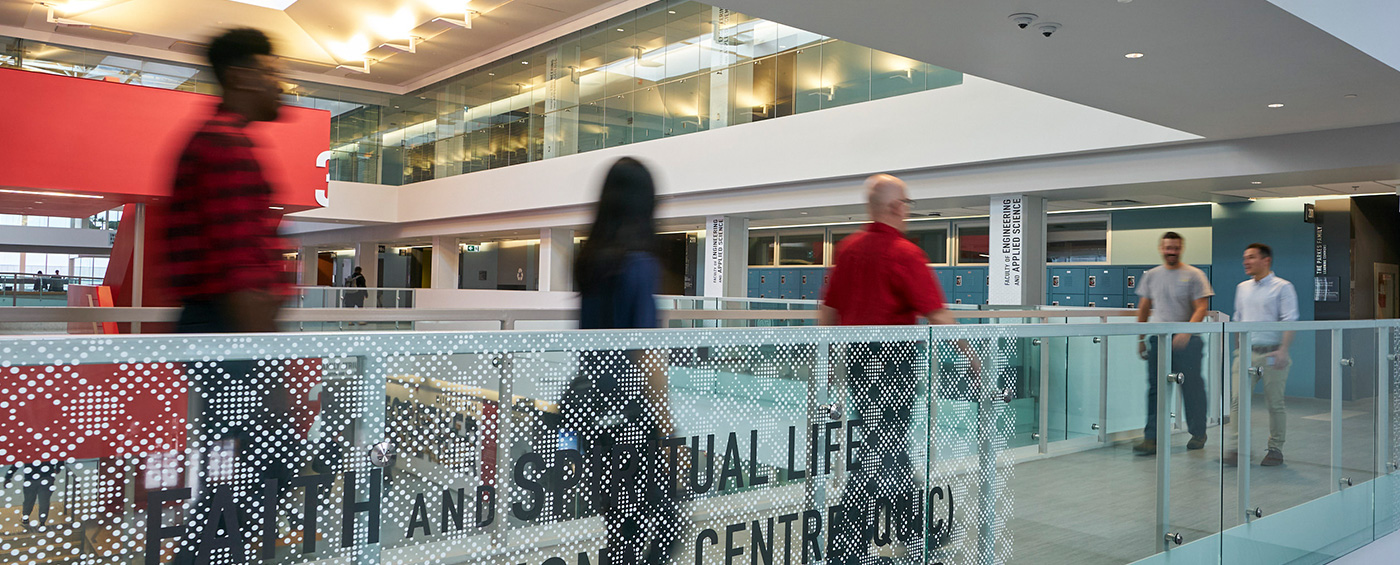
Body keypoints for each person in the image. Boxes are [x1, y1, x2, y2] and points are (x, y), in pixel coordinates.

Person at [163, 28, 292, 563]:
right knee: (259, 471)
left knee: (233, 473)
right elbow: (241, 267)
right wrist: (266, 372)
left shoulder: (217, 140)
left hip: (222, 330)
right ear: (241, 76)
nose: (280, 83)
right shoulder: (226, 146)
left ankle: (212, 550)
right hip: (232, 333)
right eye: (270, 70)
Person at [819, 174, 976, 565]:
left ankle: (911, 532)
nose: (908, 210)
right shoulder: (905, 252)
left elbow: (829, 310)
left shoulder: (848, 249)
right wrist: (971, 354)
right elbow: (936, 311)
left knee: (885, 449)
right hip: (894, 366)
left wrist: (824, 364)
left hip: (857, 364)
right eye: (906, 203)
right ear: (894, 208)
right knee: (884, 451)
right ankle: (856, 541)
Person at [560, 157, 678, 565]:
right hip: (629, 410)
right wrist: (666, 428)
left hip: (590, 408)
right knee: (666, 522)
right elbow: (646, 354)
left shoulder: (588, 261)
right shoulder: (640, 264)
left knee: (618, 524)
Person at [1134, 232, 1213, 455]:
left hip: (1188, 343)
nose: (1172, 252)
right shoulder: (1151, 275)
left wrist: (1186, 332)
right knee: (1155, 391)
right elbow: (1144, 307)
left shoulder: (1194, 274)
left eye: (1176, 248)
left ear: (1181, 248)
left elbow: (1201, 307)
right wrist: (1140, 338)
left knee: (1192, 389)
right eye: (1168, 248)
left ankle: (1198, 433)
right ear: (1161, 248)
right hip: (1159, 341)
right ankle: (1151, 438)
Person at [1226, 243, 1298, 467]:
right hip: (1246, 353)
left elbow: (1290, 320)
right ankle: (1238, 449)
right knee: (1237, 402)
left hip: (1272, 354)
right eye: (1244, 258)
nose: (1246, 262)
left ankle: (1275, 448)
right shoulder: (1242, 287)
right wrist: (1238, 350)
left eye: (1251, 258)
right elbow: (1238, 320)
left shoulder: (1283, 287)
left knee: (1274, 403)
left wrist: (1283, 350)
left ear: (1266, 260)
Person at [3, 461, 66, 531]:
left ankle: (25, 518)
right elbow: (60, 460)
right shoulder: (48, 450)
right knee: (44, 502)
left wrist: (8, 477)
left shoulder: (27, 451)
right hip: (46, 477)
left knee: (29, 500)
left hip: (30, 478)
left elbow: (17, 463)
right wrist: (57, 469)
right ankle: (42, 523)